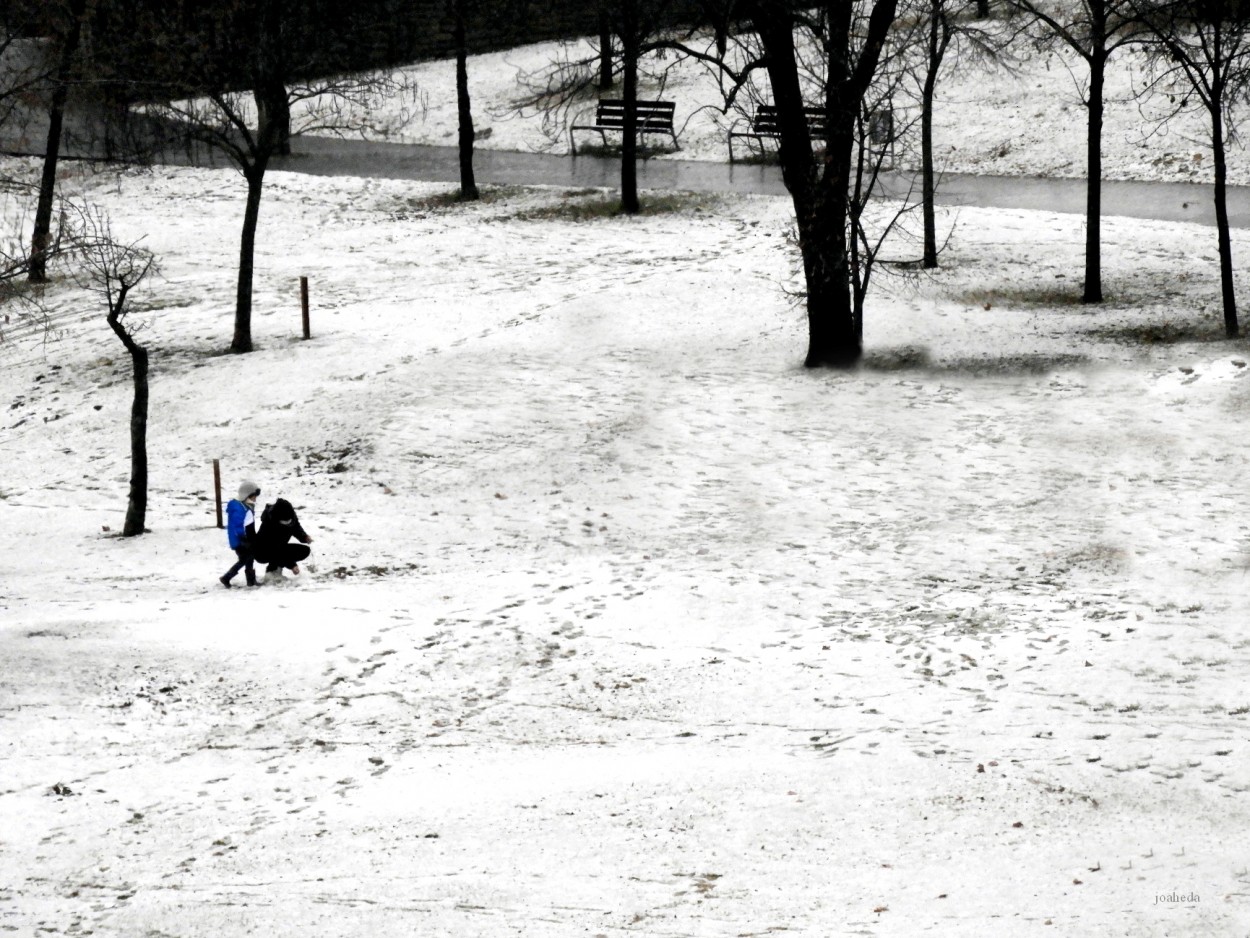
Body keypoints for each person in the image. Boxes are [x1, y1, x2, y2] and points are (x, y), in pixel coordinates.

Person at [253, 497, 315, 576]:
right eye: (284, 522)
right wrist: (292, 565)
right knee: (277, 553)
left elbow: (296, 528)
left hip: (280, 547)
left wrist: (304, 537)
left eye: (289, 521)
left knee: (304, 551)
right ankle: (272, 571)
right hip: (263, 551)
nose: (288, 524)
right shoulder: (269, 524)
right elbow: (274, 549)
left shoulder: (290, 515)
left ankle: (277, 567)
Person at [220, 480, 261, 588]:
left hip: (247, 537)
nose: (255, 499)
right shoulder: (239, 508)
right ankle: (226, 577)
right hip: (241, 540)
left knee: (249, 558)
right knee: (244, 559)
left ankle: (251, 581)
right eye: (253, 496)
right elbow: (237, 525)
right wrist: (243, 538)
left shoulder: (246, 505)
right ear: (247, 495)